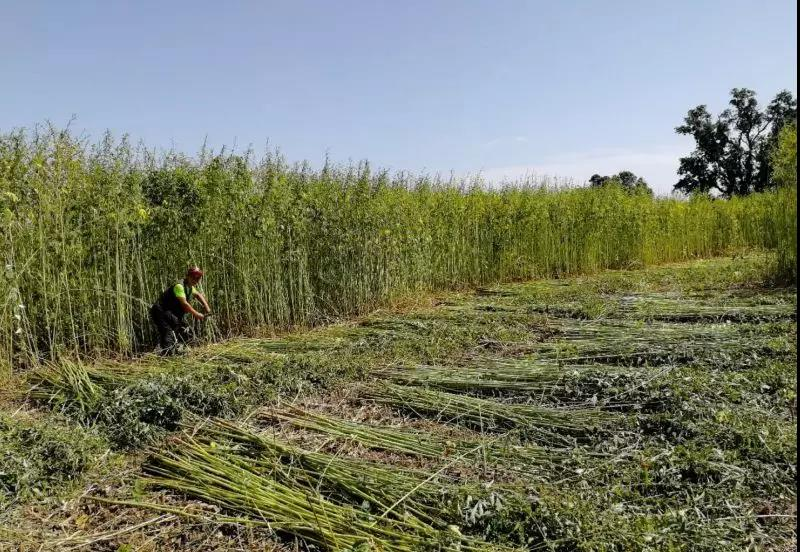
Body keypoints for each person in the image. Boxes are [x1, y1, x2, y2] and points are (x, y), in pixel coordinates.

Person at [149, 266, 212, 355]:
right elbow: (185, 304)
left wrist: (207, 307)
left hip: (168, 312)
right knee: (167, 332)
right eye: (193, 277)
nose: (195, 280)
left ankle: (174, 349)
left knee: (181, 328)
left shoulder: (189, 286)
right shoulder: (179, 286)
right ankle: (167, 355)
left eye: (198, 278)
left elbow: (198, 295)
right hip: (160, 311)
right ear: (188, 276)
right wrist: (196, 314)